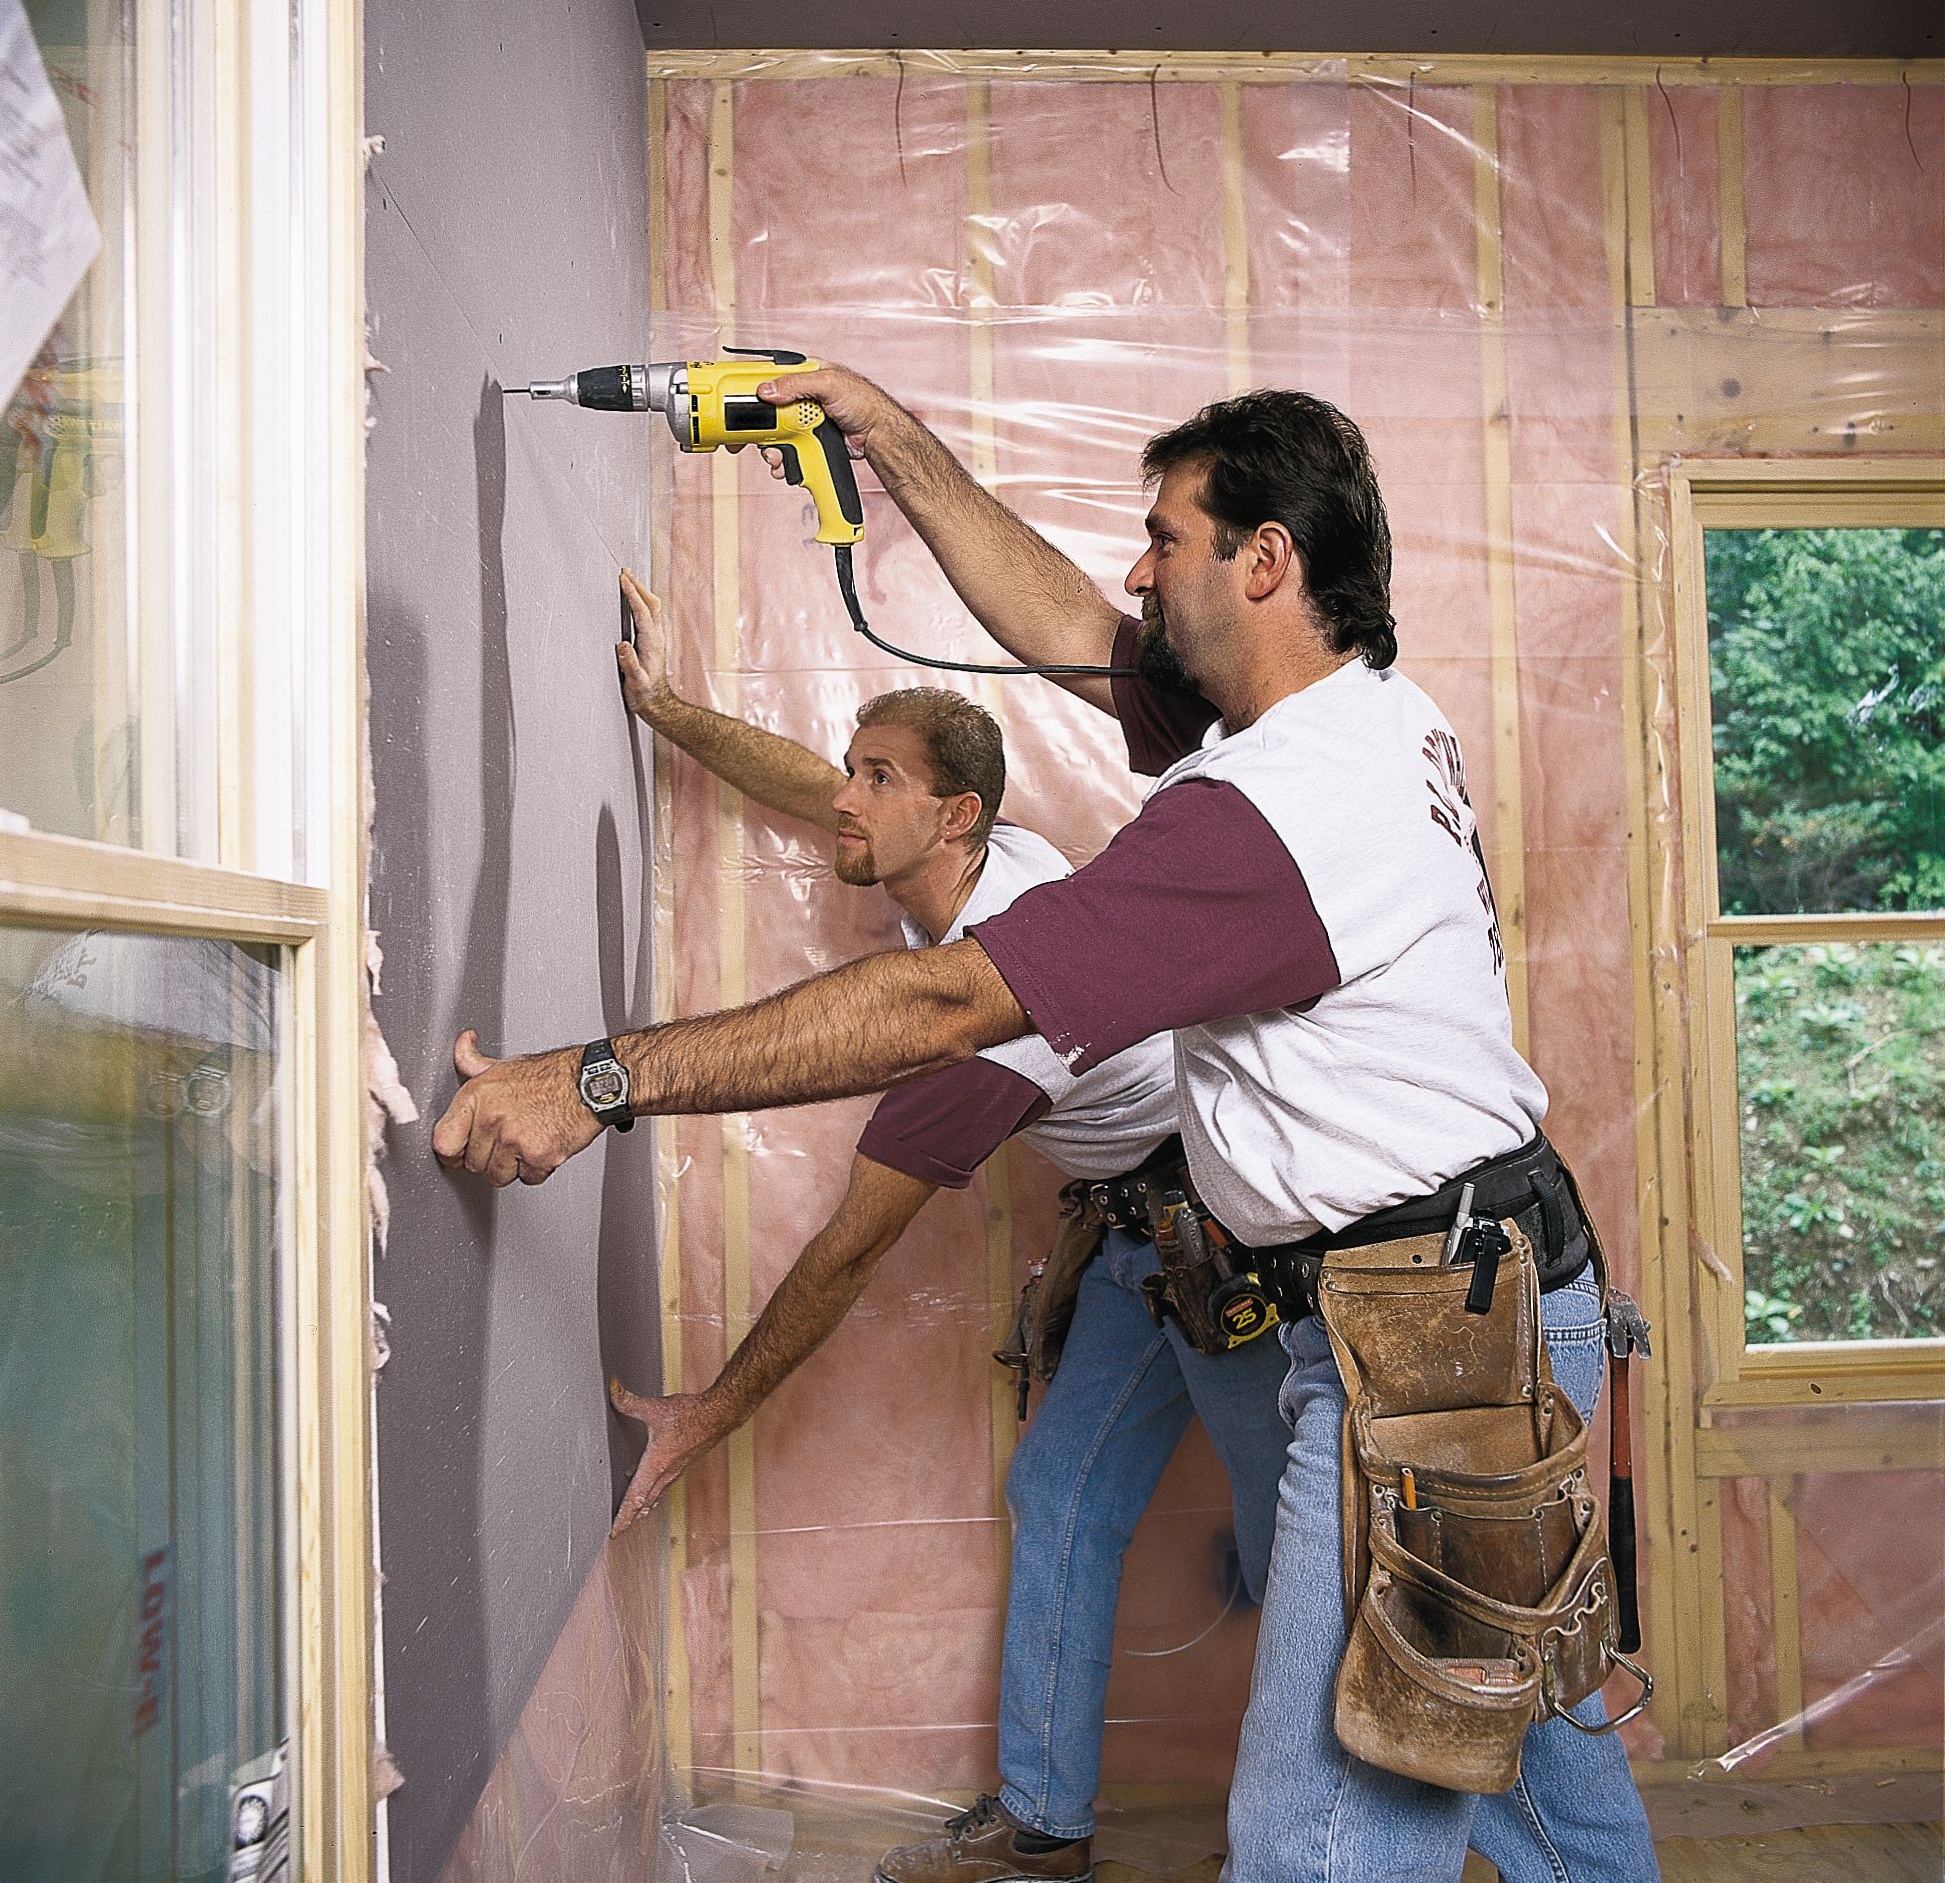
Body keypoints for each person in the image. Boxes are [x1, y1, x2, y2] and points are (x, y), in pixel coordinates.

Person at [433, 374, 1660, 1882]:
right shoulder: (1353, 711)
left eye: (1167, 540)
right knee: (1535, 1750)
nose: (1139, 574)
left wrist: (596, 1078)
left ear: (1262, 559)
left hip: (1430, 1350)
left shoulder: (1270, 814)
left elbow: (944, 1004)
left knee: (1319, 1837)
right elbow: (1077, 633)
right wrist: (884, 436)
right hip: (1468, 1300)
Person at [603, 566, 1293, 1882]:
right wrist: (667, 709)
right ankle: (1041, 1829)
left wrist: (706, 1410)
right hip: (1143, 1239)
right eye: (853, 770)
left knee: (1302, 1554)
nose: (841, 800)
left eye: (874, 779)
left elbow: (843, 1254)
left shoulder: (992, 1015)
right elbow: (796, 782)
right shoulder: (971, 855)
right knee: (1063, 1494)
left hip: (1229, 1244)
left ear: (952, 815)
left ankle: (1365, 1840)